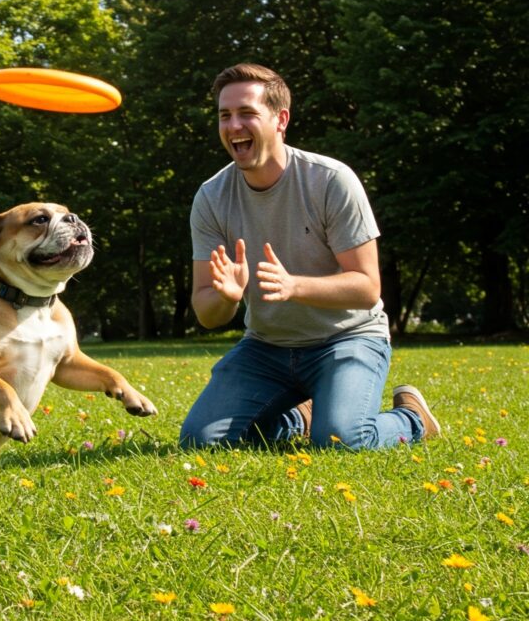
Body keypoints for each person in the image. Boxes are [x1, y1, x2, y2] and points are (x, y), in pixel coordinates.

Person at [180, 63, 440, 451]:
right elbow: (206, 310)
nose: (233, 126)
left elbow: (367, 287)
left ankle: (412, 419)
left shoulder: (331, 180)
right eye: (224, 115)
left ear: (280, 119)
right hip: (267, 347)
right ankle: (298, 417)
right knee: (200, 440)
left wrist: (293, 286)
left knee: (341, 440)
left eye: (247, 113)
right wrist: (227, 298)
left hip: (347, 338)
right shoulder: (212, 197)